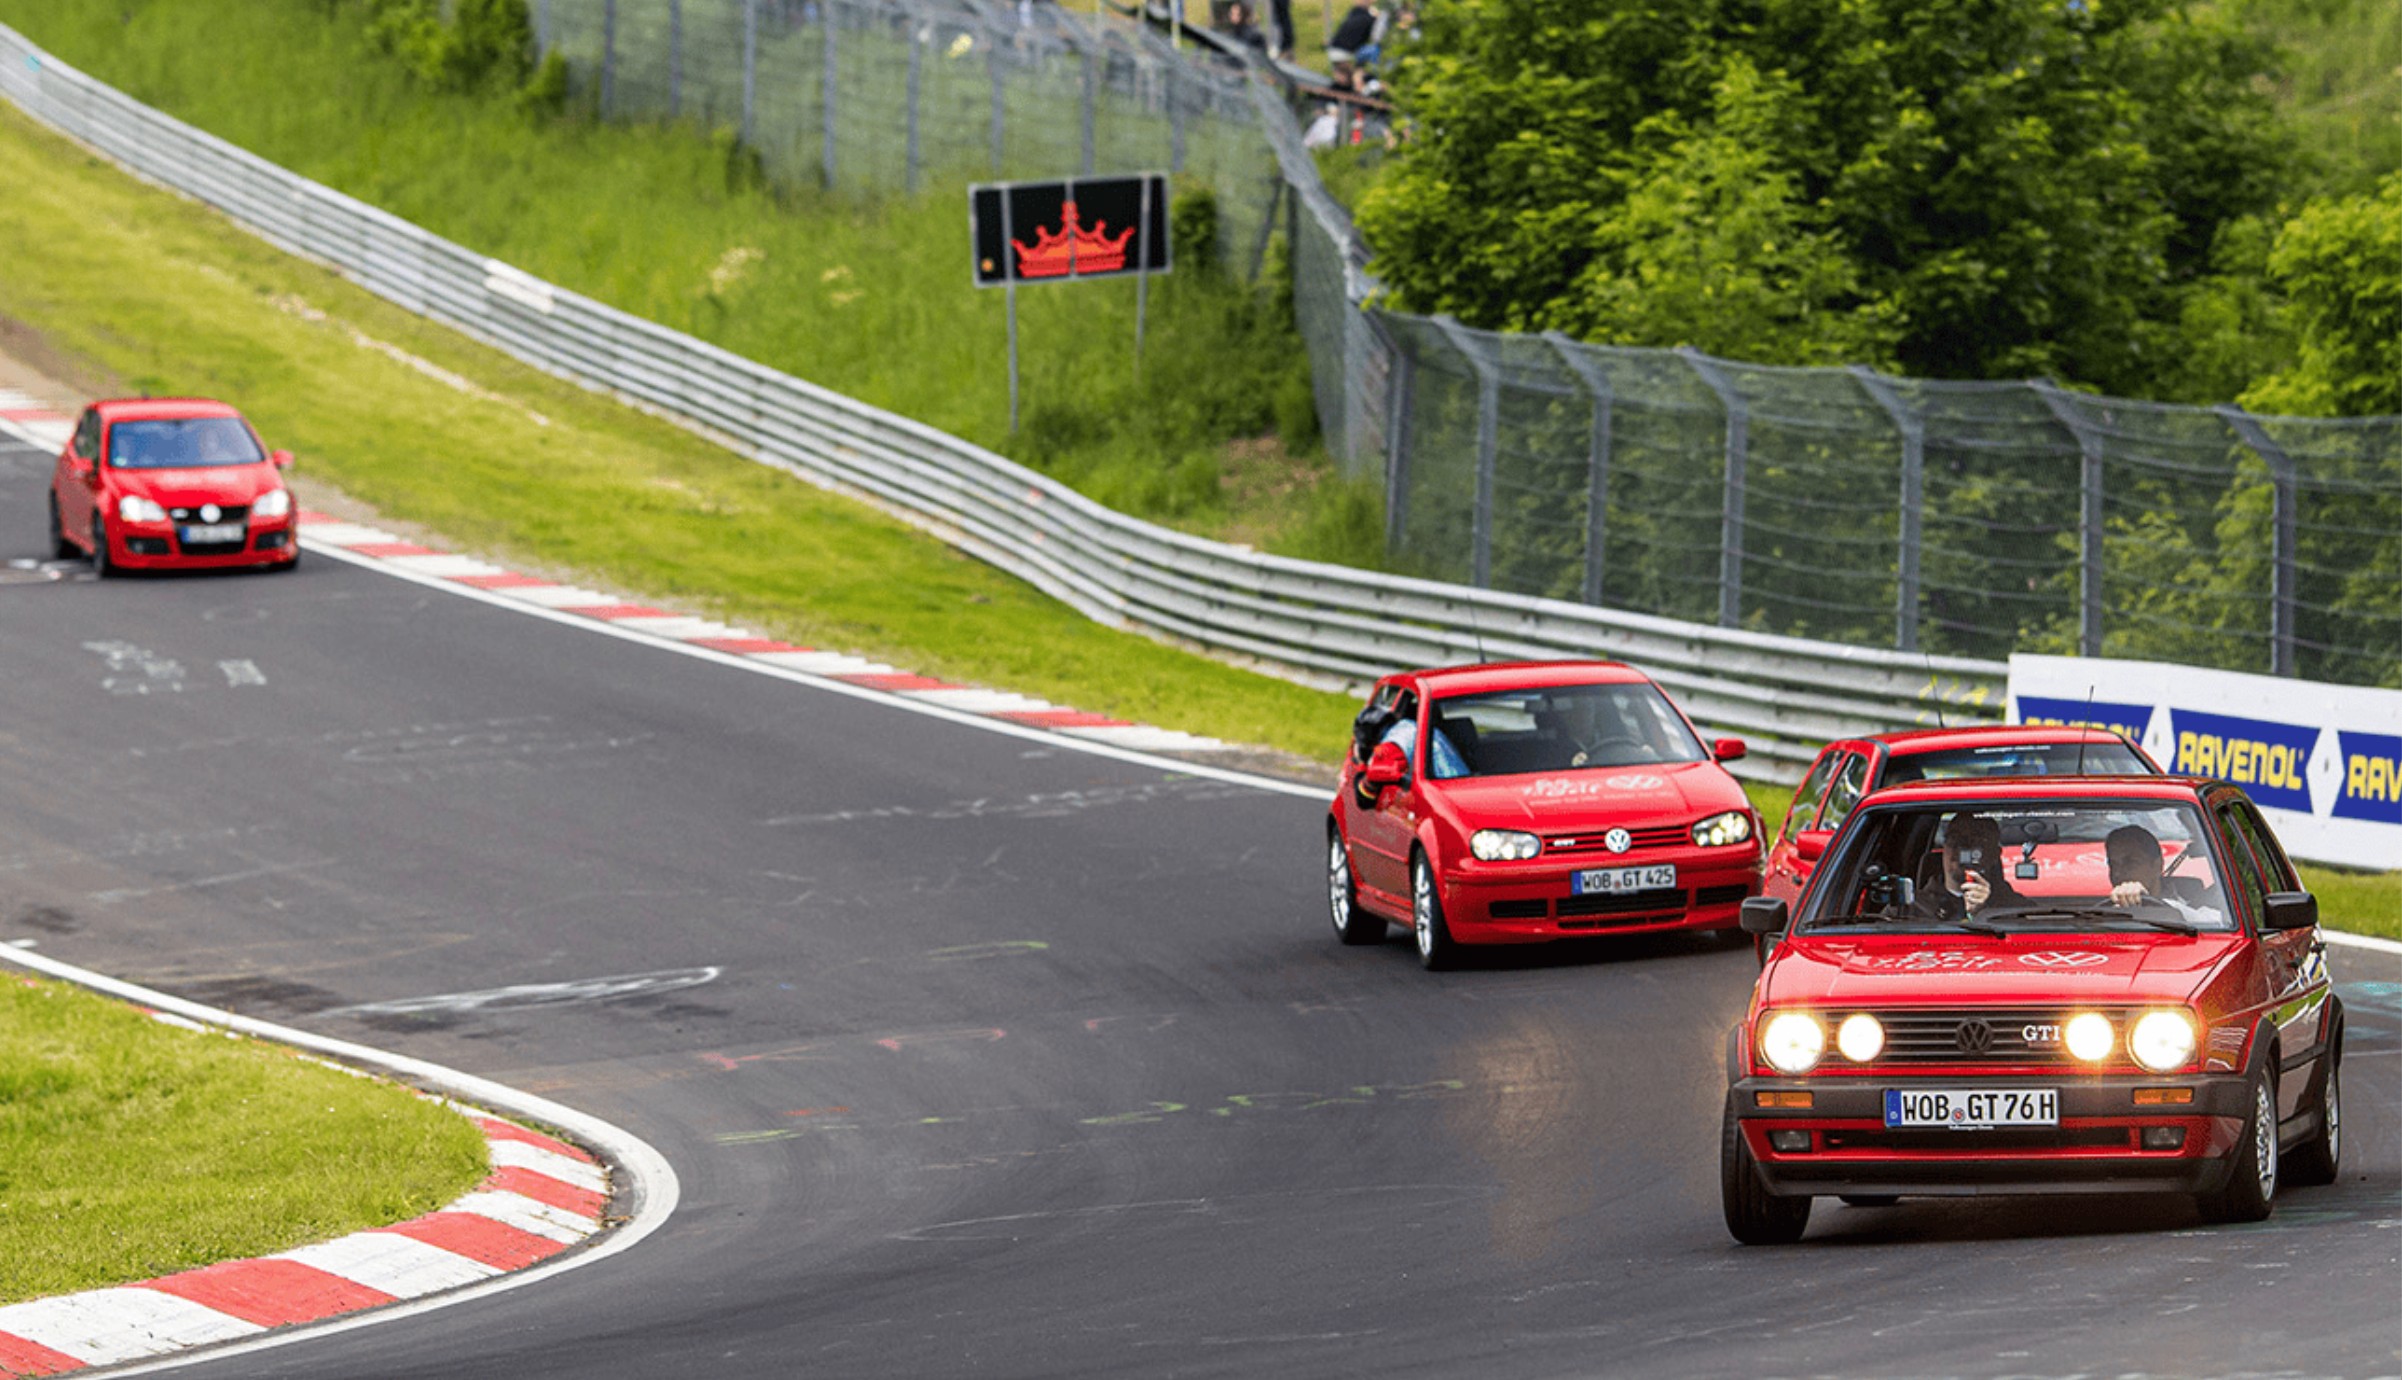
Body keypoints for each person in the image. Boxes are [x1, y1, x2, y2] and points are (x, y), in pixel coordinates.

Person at [2105, 825, 2216, 925]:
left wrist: (2153, 905)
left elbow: (2214, 923)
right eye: (2113, 864)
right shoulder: (2102, 911)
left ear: (2157, 865)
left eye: (2131, 863)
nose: (2117, 872)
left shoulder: (2192, 905)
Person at [1922, 814, 2024, 921]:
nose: (1963, 849)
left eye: (1976, 841)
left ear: (1995, 854)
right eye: (1955, 839)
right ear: (1944, 847)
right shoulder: (1917, 907)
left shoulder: (2015, 909)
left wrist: (1984, 912)